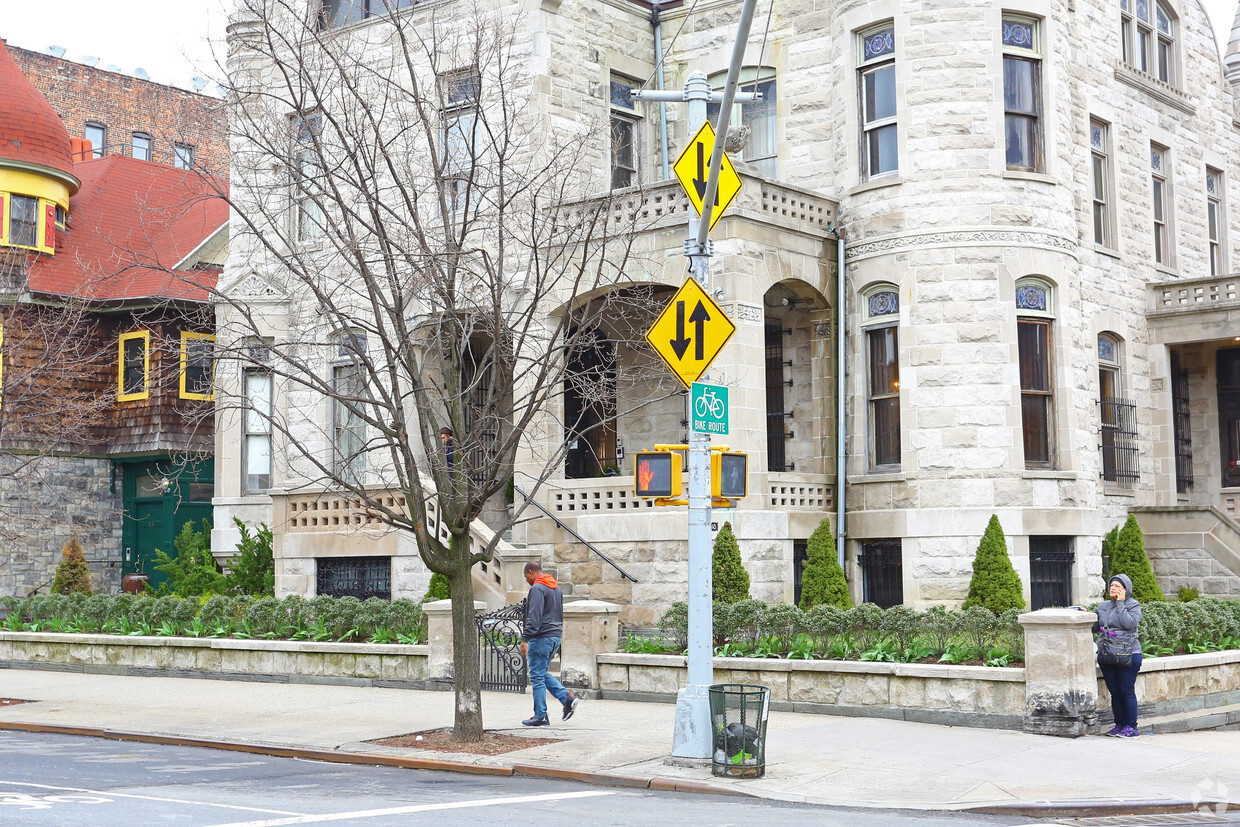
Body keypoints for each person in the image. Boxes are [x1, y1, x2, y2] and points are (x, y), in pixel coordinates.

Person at [519, 561, 578, 727]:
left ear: (531, 572)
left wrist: (525, 639)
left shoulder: (537, 588)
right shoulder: (555, 587)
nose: (526, 580)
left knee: (537, 677)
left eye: (526, 576)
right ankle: (566, 699)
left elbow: (534, 616)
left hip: (541, 637)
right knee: (541, 673)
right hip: (554, 636)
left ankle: (540, 716)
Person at [1095, 573, 1143, 737]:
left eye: (1117, 586)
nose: (1113, 588)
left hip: (1129, 653)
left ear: (1126, 589)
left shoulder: (1133, 605)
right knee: (1115, 691)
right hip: (1108, 653)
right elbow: (1095, 626)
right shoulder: (1103, 606)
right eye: (1112, 586)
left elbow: (1129, 623)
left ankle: (1131, 726)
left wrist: (1121, 603)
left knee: (1126, 690)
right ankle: (1119, 724)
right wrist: (1083, 615)